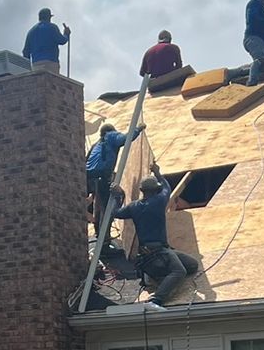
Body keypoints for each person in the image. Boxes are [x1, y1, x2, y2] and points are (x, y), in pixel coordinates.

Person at [114, 175, 202, 306]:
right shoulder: (159, 201)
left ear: (142, 190)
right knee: (179, 271)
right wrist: (158, 173)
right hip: (159, 252)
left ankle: (161, 277)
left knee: (192, 265)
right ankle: (156, 299)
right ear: (156, 190)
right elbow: (167, 188)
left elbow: (116, 213)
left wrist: (118, 196)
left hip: (150, 253)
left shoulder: (134, 206)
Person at [85, 120, 139, 212]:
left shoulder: (96, 145)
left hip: (88, 175)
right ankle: (107, 215)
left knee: (92, 201)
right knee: (108, 204)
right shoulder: (111, 136)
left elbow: (86, 160)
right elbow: (125, 138)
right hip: (102, 175)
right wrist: (138, 129)